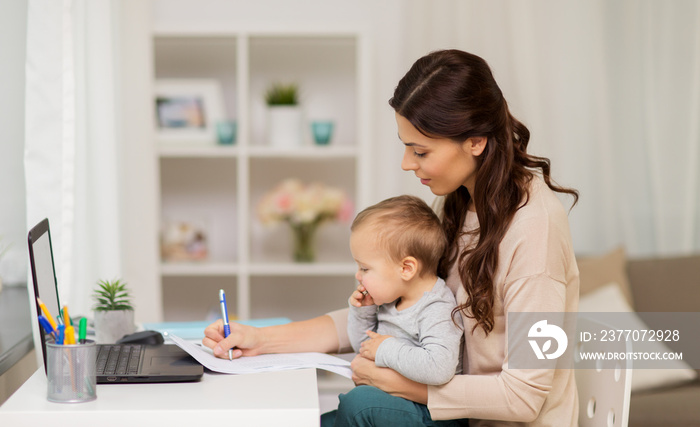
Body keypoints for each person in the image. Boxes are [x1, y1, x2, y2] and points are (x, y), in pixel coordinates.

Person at [203, 49, 580, 426]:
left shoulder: (534, 232)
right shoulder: (460, 203)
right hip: (453, 417)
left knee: (359, 407)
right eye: (406, 146)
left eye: (420, 151)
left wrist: (399, 383)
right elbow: (390, 309)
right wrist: (260, 339)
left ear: (476, 142)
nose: (407, 163)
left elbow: (523, 398)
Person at [346, 195, 463, 386]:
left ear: (406, 269)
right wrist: (363, 312)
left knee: (356, 404)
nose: (358, 276)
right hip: (390, 397)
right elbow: (363, 347)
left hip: (425, 410)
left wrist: (385, 348)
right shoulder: (393, 299)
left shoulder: (436, 307)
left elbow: (439, 368)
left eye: (365, 268)